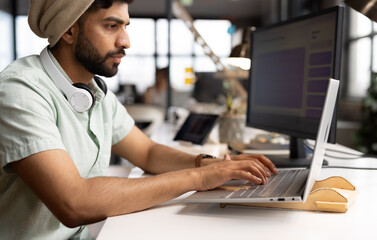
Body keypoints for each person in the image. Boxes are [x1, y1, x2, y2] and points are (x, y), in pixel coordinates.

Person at [0, 0, 277, 239]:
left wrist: (211, 164)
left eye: (125, 26)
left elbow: (147, 152)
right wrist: (200, 177)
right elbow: (75, 202)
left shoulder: (94, 91)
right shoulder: (20, 91)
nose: (126, 42)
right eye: (111, 26)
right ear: (69, 29)